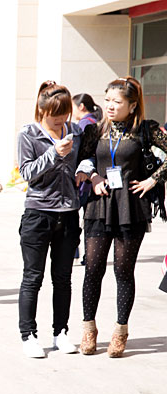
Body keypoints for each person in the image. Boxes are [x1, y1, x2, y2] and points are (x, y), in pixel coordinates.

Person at [76, 77, 167, 357]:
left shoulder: (146, 129)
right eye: (107, 100)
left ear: (132, 105)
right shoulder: (95, 130)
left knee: (123, 271)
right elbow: (84, 161)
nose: (110, 106)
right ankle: (88, 329)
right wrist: (93, 178)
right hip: (99, 205)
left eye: (117, 102)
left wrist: (153, 180)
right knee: (93, 269)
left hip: (131, 208)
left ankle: (120, 331)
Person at [16, 81, 84, 358]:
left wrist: (86, 168)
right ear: (42, 109)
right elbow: (27, 172)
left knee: (63, 278)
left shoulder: (76, 131)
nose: (60, 118)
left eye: (65, 112)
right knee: (33, 277)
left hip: (68, 213)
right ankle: (28, 335)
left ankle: (61, 332)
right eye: (55, 113)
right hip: (38, 213)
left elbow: (87, 158)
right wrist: (54, 153)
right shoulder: (28, 134)